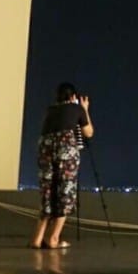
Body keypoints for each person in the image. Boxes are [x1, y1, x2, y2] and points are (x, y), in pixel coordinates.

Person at [29, 82, 94, 250]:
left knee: (48, 192)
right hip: (66, 149)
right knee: (65, 192)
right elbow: (88, 133)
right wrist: (85, 108)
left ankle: (36, 239)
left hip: (45, 147)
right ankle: (53, 238)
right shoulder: (76, 108)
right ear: (73, 97)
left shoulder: (50, 110)